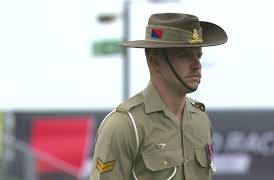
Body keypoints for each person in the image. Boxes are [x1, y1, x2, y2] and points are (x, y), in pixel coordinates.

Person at [90, 12, 227, 180]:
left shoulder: (201, 120)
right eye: (184, 55)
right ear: (155, 62)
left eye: (198, 55)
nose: (197, 65)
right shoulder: (123, 125)